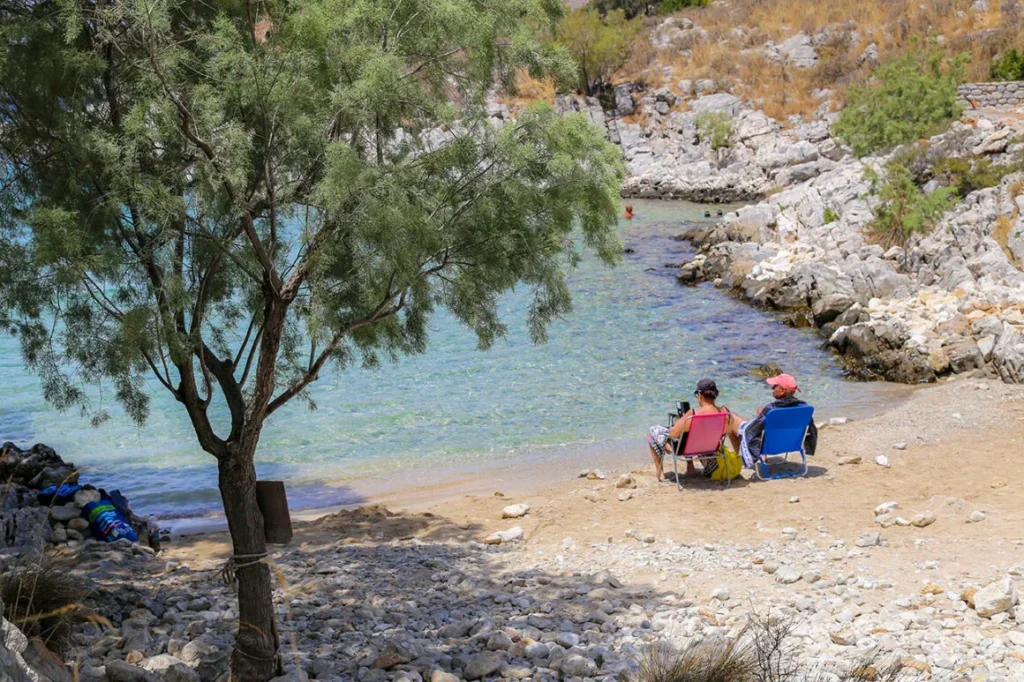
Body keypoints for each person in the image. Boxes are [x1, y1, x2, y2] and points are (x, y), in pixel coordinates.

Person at [646, 378, 744, 482]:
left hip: (697, 457)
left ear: (700, 395)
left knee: (653, 431)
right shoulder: (726, 412)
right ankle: (690, 468)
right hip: (713, 461)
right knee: (694, 435)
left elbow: (673, 434)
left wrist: (678, 423)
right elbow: (728, 432)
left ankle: (660, 473)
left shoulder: (693, 414)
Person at [740, 373, 817, 466]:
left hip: (770, 446)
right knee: (760, 410)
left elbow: (751, 431)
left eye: (775, 386)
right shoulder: (804, 408)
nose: (772, 388)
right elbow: (812, 430)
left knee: (735, 421)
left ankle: (744, 461)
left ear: (782, 391)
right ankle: (762, 456)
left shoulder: (771, 409)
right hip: (791, 444)